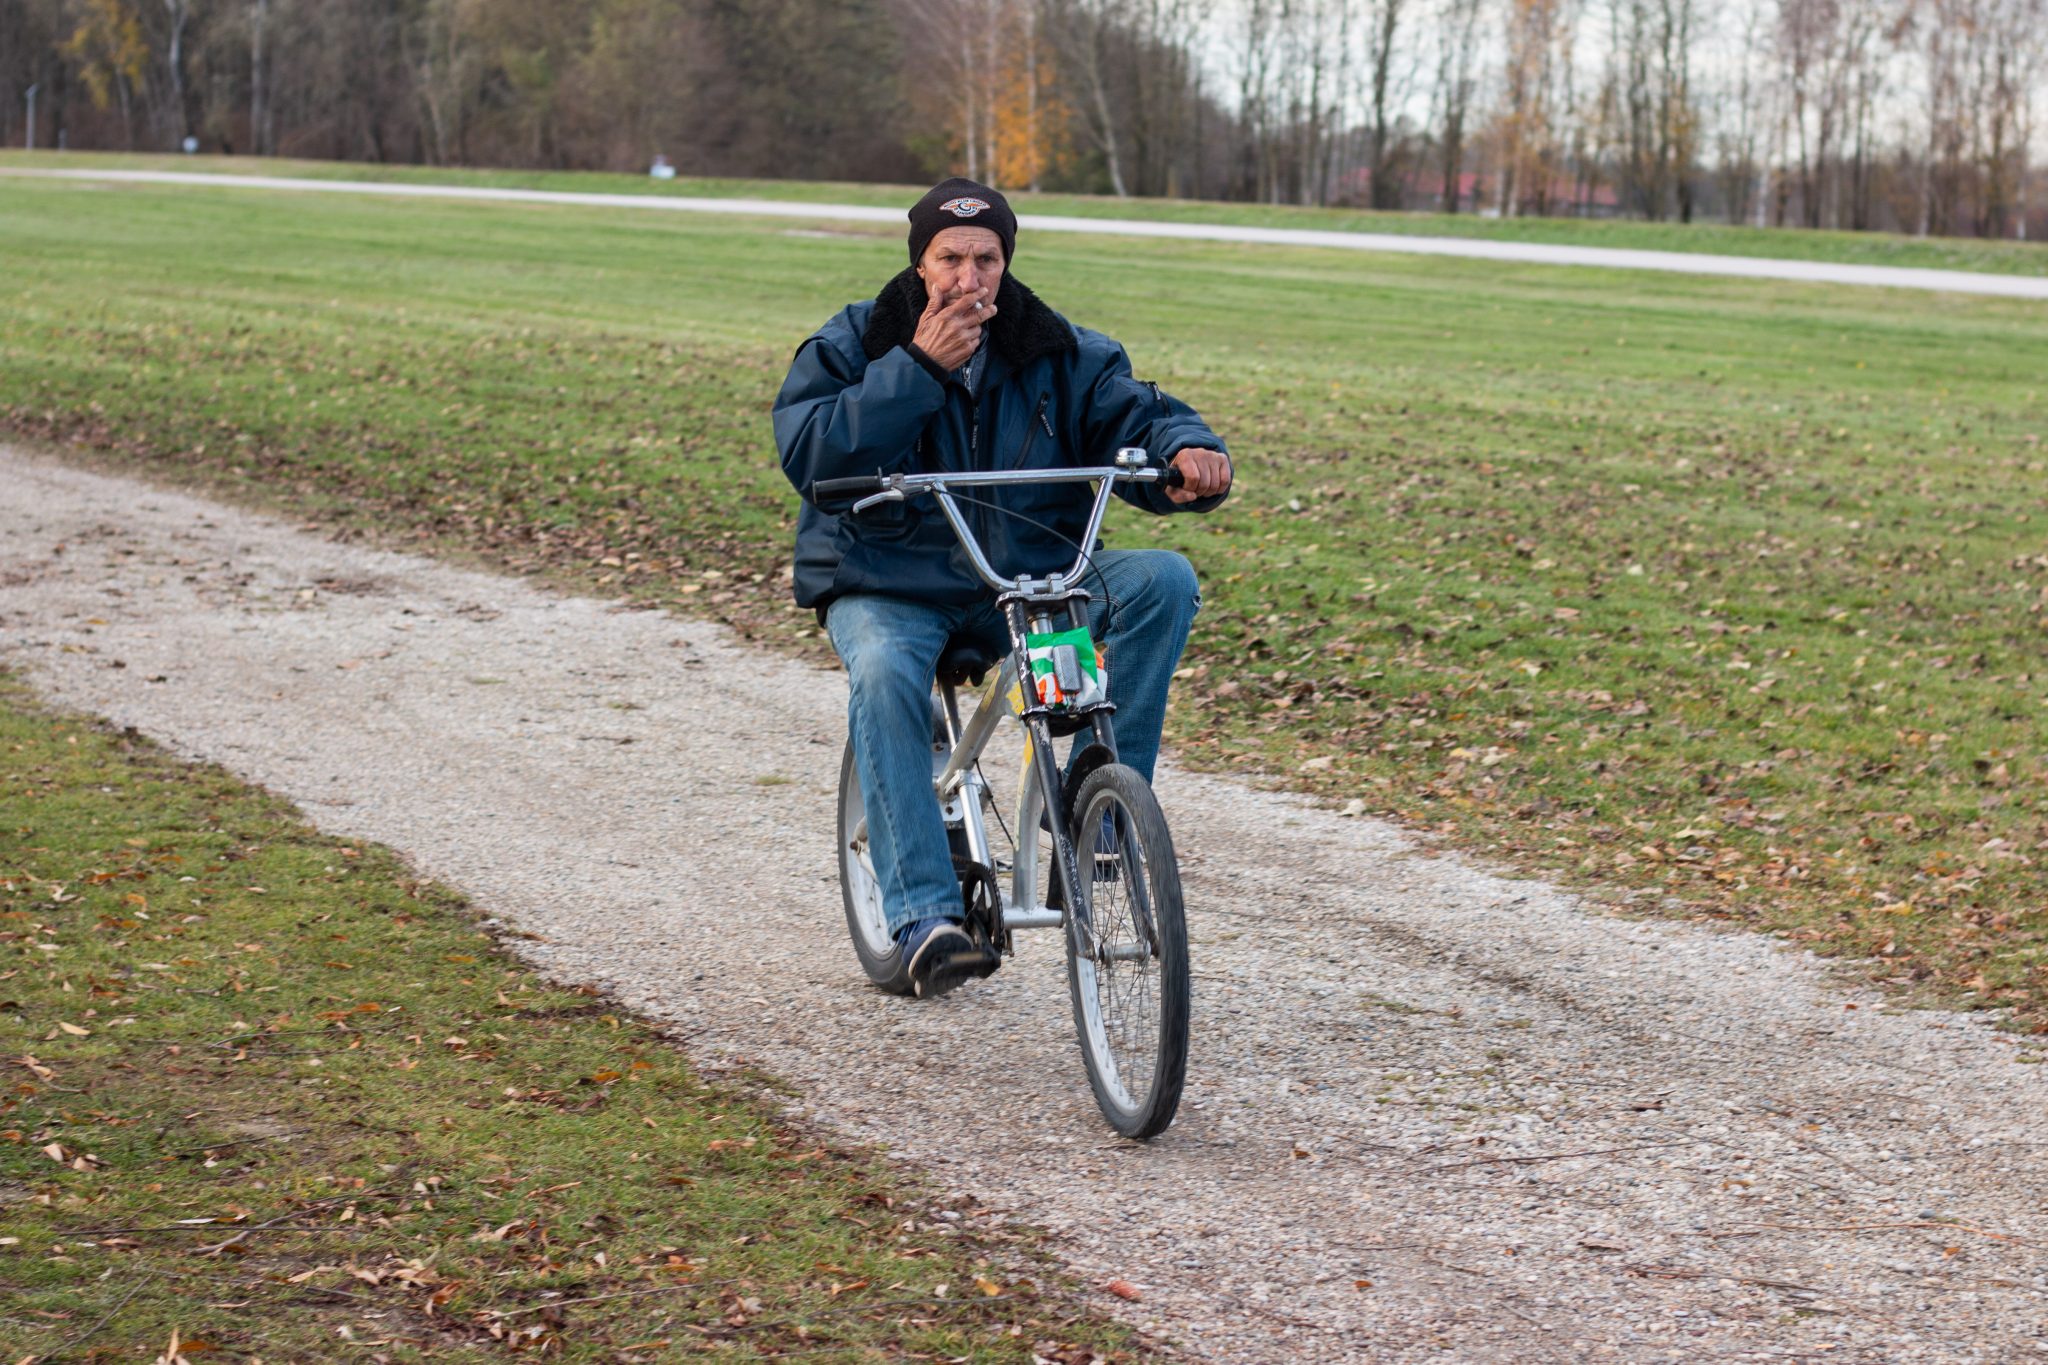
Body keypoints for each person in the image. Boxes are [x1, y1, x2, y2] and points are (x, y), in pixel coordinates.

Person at [773, 177, 1233, 999]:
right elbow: (813, 453)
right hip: (890, 577)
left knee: (1163, 580)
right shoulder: (856, 343)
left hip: (1031, 577)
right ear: (920, 264)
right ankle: (924, 916)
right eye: (950, 258)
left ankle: (1098, 814)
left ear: (1005, 262)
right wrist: (917, 368)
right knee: (884, 673)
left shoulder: (1058, 349)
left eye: (986, 258)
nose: (969, 277)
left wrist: (1187, 450)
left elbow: (1138, 417)